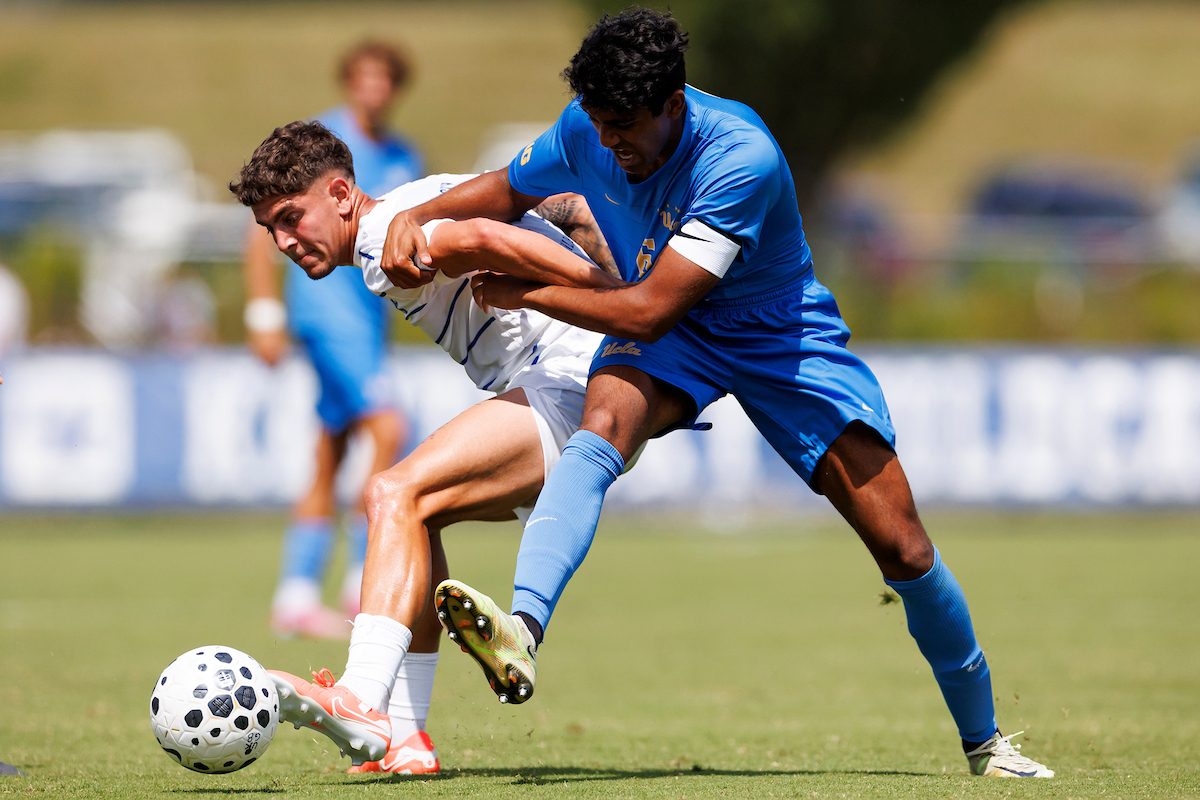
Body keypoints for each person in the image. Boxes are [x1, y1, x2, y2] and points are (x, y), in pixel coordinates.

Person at [375, 8, 1055, 779]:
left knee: (903, 547)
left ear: (674, 104)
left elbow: (648, 308)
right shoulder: (584, 127)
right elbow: (502, 190)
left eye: (624, 125)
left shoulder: (741, 156)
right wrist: (420, 218)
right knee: (603, 424)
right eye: (597, 124)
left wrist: (528, 293)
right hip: (679, 331)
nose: (608, 143)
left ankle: (986, 742)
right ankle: (521, 629)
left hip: (777, 335)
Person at [228, 120, 620, 772]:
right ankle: (406, 737)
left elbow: (484, 237)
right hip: (578, 383)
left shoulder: (386, 237)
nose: (285, 241)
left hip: (572, 384)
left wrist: (619, 296)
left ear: (342, 194)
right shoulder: (415, 198)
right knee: (416, 515)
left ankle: (358, 697)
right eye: (273, 229)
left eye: (293, 217)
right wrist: (611, 271)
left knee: (391, 490)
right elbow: (557, 204)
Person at [242, 40, 421, 639]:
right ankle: (360, 584)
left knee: (332, 449)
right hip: (325, 314)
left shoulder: (401, 154)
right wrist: (265, 312)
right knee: (390, 430)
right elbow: (264, 226)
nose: (374, 90)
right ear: (349, 83)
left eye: (385, 80)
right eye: (363, 78)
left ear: (396, 88)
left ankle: (294, 595)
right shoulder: (322, 148)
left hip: (367, 319)